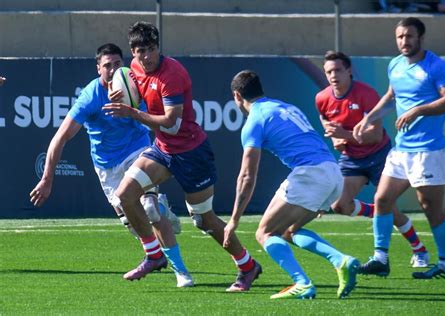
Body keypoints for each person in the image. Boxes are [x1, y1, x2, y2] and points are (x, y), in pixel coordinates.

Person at [102, 21, 262, 292]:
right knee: (125, 196)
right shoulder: (135, 70)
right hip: (163, 150)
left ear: (158, 47)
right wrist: (119, 94)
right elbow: (135, 94)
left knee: (204, 220)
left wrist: (132, 112)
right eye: (141, 51)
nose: (147, 56)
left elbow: (171, 124)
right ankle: (154, 255)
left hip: (191, 153)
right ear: (133, 51)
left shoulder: (172, 73)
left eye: (152, 49)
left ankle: (247, 266)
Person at [29, 43, 193, 287]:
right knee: (134, 225)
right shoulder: (91, 96)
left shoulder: (136, 85)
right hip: (106, 166)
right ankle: (155, 250)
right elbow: (60, 137)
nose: (113, 70)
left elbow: (158, 123)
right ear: (98, 69)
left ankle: (181, 272)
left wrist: (133, 106)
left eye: (118, 64)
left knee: (151, 210)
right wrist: (47, 179)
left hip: (138, 151)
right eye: (107, 65)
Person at [224, 70, 360, 300]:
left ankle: (302, 283)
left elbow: (247, 176)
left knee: (264, 233)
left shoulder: (254, 121)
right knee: (289, 231)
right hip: (333, 172)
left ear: (237, 96)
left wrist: (234, 220)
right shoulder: (285, 106)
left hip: (310, 173)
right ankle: (341, 260)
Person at [354, 17, 445, 279]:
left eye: (409, 36)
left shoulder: (437, 67)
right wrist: (369, 117)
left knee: (430, 207)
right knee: (382, 199)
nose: (404, 41)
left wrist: (417, 111)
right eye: (400, 36)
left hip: (429, 151)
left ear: (421, 38)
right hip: (402, 150)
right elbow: (392, 96)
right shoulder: (396, 64)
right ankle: (380, 258)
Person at [315, 50, 430, 269]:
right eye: (328, 71)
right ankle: (381, 212)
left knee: (386, 205)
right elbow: (327, 123)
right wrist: (335, 140)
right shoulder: (322, 98)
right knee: (339, 205)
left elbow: (375, 136)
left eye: (338, 70)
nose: (333, 75)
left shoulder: (366, 94)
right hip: (352, 158)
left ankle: (419, 250)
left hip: (379, 155)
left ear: (349, 71)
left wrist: (345, 136)